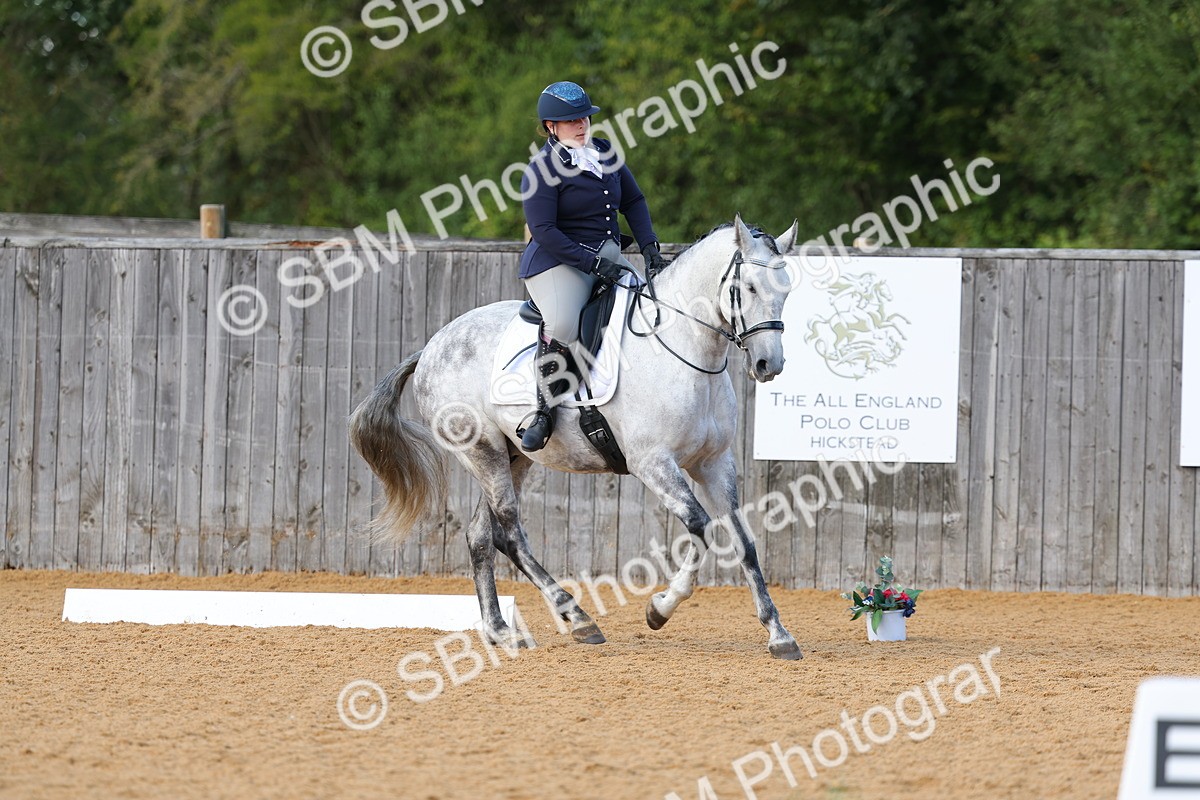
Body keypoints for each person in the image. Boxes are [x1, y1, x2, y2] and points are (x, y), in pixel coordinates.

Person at [516, 81, 668, 452]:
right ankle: (544, 411)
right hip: (559, 261)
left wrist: (649, 246)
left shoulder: (603, 152)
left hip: (608, 254)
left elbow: (633, 199)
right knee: (565, 323)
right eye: (571, 121)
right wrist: (592, 263)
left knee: (650, 307)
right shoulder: (540, 169)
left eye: (584, 117)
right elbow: (544, 230)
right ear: (551, 126)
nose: (582, 124)